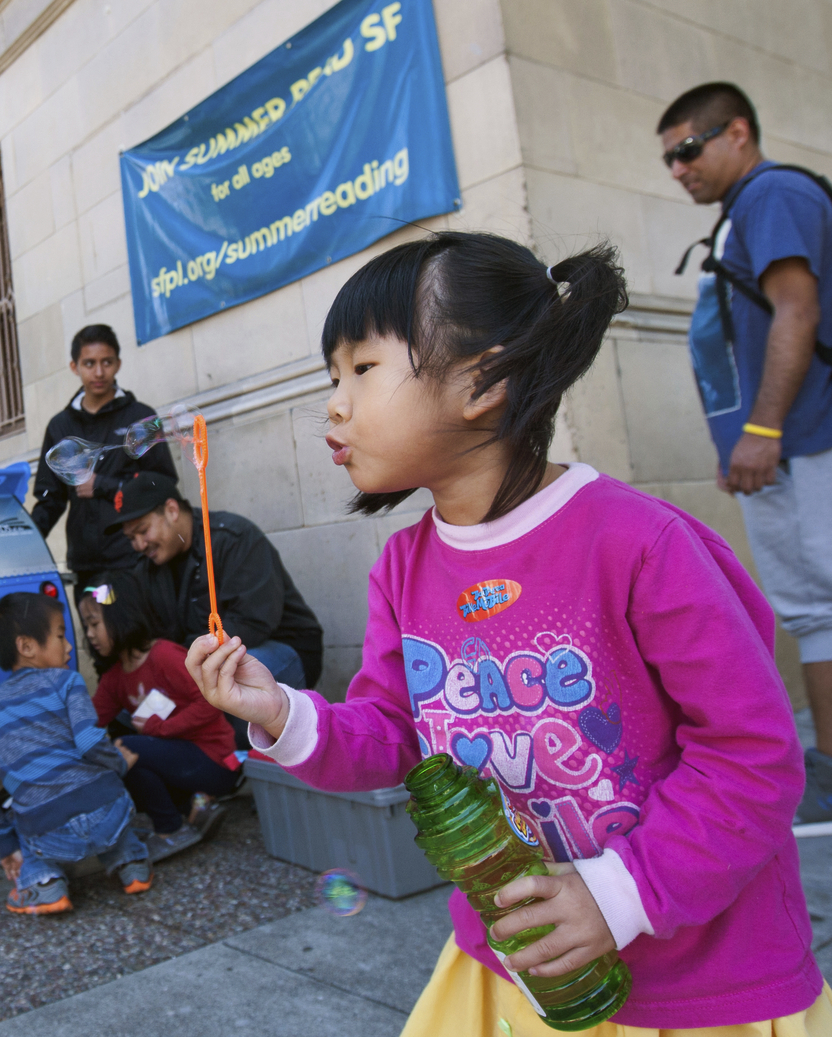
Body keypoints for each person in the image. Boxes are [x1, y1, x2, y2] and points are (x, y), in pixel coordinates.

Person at [188, 232, 827, 1036]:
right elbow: (393, 733)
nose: (333, 402)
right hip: (513, 967)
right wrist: (281, 711)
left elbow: (751, 755)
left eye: (360, 367)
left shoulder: (637, 545)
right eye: (331, 376)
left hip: (698, 982)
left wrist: (618, 892)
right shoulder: (402, 567)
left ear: (483, 380)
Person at [656, 82, 832, 823]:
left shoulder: (772, 194)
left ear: (736, 132)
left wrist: (761, 431)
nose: (677, 169)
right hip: (780, 454)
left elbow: (796, 307)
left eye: (687, 150)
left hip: (808, 439)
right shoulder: (738, 214)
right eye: (667, 160)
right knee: (812, 613)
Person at [0, 592, 151, 915]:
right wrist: (118, 763)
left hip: (48, 834)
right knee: (106, 798)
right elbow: (91, 743)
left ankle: (45, 885)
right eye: (61, 636)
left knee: (23, 811)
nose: (68, 646)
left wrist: (6, 843)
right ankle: (130, 864)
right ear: (27, 647)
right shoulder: (66, 682)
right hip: (108, 815)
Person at [111, 471, 323, 691]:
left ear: (172, 510)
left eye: (143, 531)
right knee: (139, 696)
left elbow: (253, 623)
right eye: (130, 539)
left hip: (281, 647)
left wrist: (183, 658)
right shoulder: (147, 568)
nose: (139, 545)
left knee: (223, 678)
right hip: (202, 657)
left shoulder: (234, 538)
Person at [80, 569, 238, 857]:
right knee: (120, 757)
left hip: (216, 760)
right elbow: (87, 723)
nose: (89, 635)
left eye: (94, 624)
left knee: (126, 747)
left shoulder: (164, 655)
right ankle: (191, 808)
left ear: (120, 617)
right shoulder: (114, 678)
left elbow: (211, 702)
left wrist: (161, 729)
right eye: (85, 627)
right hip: (182, 764)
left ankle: (170, 828)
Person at [30, 324, 178, 594]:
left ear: (118, 364)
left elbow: (163, 483)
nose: (99, 372)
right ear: (74, 367)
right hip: (86, 564)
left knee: (142, 635)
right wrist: (25, 539)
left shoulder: (141, 416)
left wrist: (104, 484)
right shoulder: (59, 426)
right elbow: (49, 499)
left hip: (136, 559)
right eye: (89, 363)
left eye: (106, 362)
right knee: (96, 636)